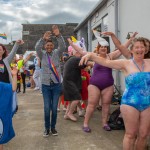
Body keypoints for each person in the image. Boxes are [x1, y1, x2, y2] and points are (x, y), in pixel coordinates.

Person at [79, 35, 150, 150]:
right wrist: (91, 55)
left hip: (147, 104)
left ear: (145, 49)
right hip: (130, 104)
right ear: (131, 50)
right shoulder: (125, 63)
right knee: (130, 134)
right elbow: (106, 62)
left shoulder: (149, 62)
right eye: (136, 47)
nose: (139, 49)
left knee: (143, 135)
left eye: (142, 47)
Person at [35, 25, 66, 137]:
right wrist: (43, 38)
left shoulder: (57, 53)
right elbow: (37, 47)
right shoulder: (41, 54)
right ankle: (46, 128)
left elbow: (62, 46)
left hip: (56, 85)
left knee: (54, 108)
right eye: (47, 45)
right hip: (46, 85)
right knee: (47, 108)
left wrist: (58, 35)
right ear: (45, 46)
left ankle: (53, 128)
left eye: (50, 45)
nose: (49, 46)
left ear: (53, 46)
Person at [0, 40, 24, 150]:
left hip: (6, 90)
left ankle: (3, 133)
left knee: (6, 113)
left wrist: (17, 44)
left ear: (3, 51)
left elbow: (13, 52)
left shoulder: (6, 60)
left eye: (0, 49)